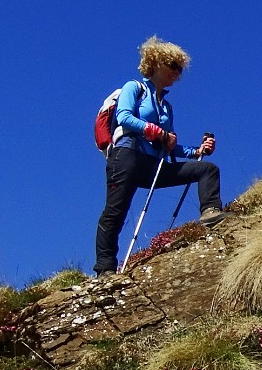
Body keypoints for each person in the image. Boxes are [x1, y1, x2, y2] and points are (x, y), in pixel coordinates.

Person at [93, 36, 227, 276]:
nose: (177, 73)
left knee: (207, 169)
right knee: (115, 211)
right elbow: (124, 117)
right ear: (157, 62)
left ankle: (211, 212)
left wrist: (196, 152)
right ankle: (104, 267)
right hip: (126, 155)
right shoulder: (134, 88)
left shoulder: (167, 107)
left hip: (152, 163)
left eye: (180, 69)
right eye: (173, 66)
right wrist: (157, 132)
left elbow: (169, 145)